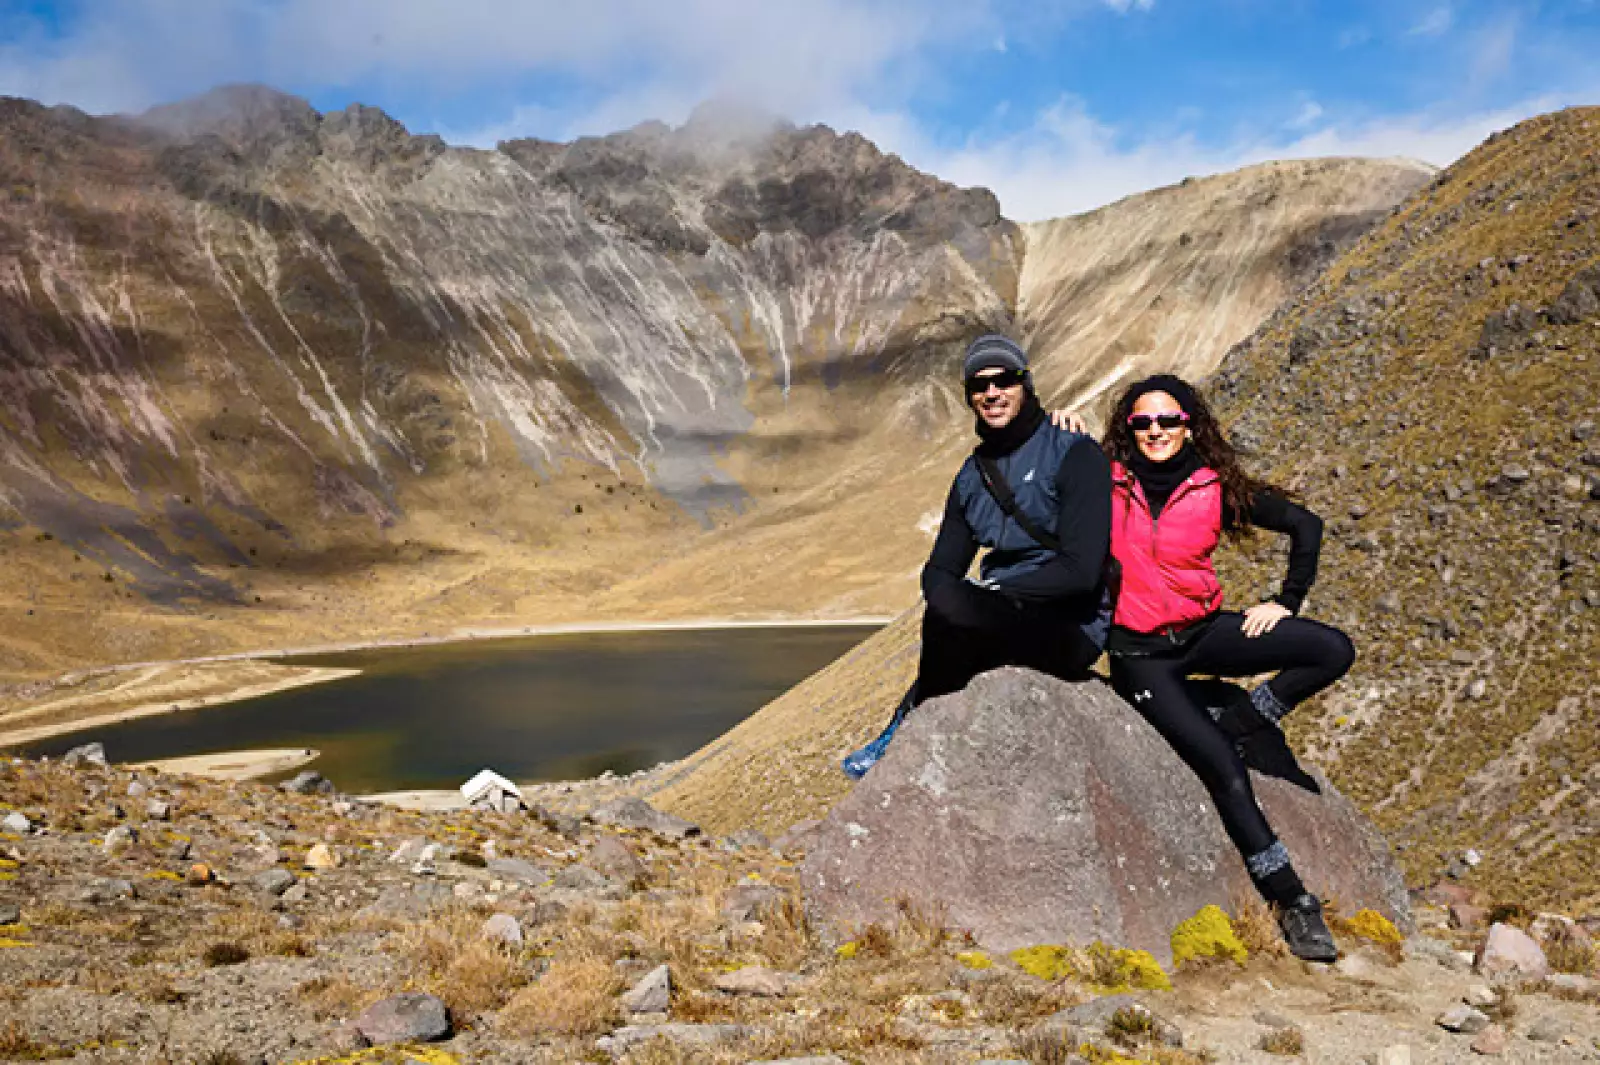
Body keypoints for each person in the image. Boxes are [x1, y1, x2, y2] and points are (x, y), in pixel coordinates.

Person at [1081, 372, 1356, 962]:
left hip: (1204, 634)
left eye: (1168, 420)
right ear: (1126, 429)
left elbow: (1305, 525)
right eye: (1142, 421)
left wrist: (1285, 601)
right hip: (1141, 658)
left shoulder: (1213, 485)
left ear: (1189, 425)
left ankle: (1247, 718)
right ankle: (1293, 902)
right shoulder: (1102, 479)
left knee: (1331, 649)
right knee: (1225, 771)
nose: (1155, 430)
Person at [841, 334, 1111, 779]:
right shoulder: (973, 475)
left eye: (1004, 380)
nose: (992, 393)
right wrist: (952, 595)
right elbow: (942, 567)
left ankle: (907, 728)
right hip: (1002, 612)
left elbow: (1081, 571)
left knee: (958, 619)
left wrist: (994, 592)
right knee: (947, 611)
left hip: (1070, 622)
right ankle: (915, 729)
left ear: (1026, 384)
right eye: (978, 386)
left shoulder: (1073, 451)